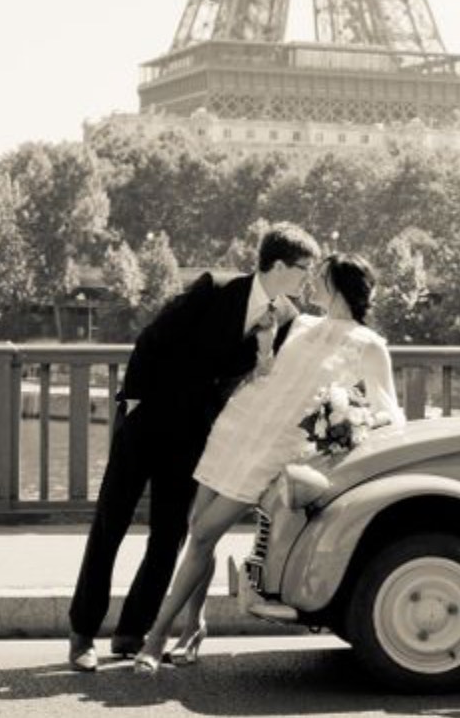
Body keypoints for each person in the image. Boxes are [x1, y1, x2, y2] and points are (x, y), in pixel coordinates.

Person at [133, 253, 406, 674]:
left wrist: (345, 422)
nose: (311, 282)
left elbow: (389, 415)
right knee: (199, 533)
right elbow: (268, 373)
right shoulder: (302, 324)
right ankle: (193, 627)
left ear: (337, 285)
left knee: (202, 534)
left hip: (276, 450)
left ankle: (156, 637)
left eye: (319, 276)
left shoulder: (369, 345)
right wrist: (264, 345)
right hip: (237, 430)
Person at [66, 224, 321, 672]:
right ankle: (82, 634)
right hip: (147, 420)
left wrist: (264, 356)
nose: (309, 278)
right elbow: (151, 340)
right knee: (111, 523)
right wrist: (134, 405)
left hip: (195, 435)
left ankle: (132, 632)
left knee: (169, 535)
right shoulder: (213, 288)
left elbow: (261, 381)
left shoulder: (286, 319)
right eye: (304, 268)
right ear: (279, 265)